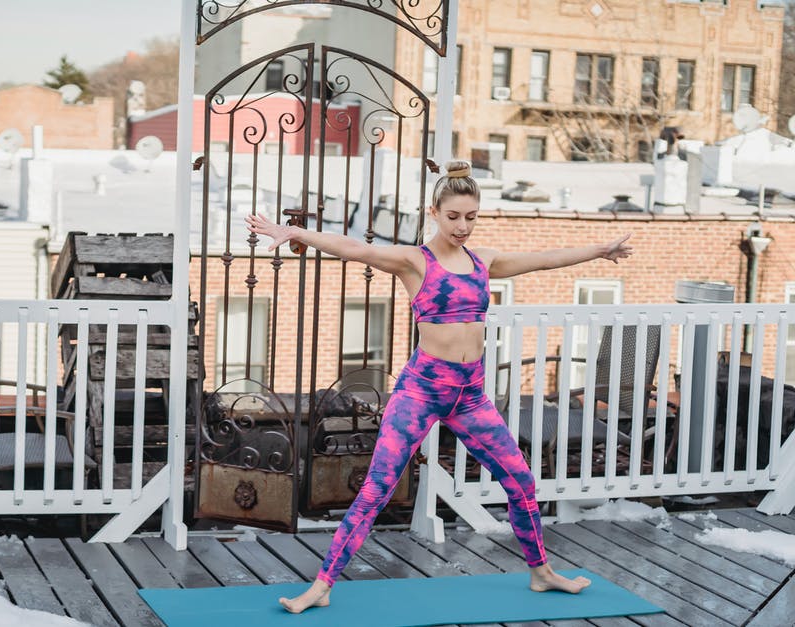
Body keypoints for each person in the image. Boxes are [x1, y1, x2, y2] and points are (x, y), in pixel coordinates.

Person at [244, 160, 634, 614]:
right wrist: (295, 234)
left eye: (471, 217)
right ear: (434, 212)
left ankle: (542, 573)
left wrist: (600, 251)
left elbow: (544, 259)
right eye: (453, 217)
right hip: (421, 392)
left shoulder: (483, 261)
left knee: (521, 481)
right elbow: (353, 248)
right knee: (377, 488)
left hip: (470, 396)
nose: (463, 226)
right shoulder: (415, 261)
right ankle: (323, 584)